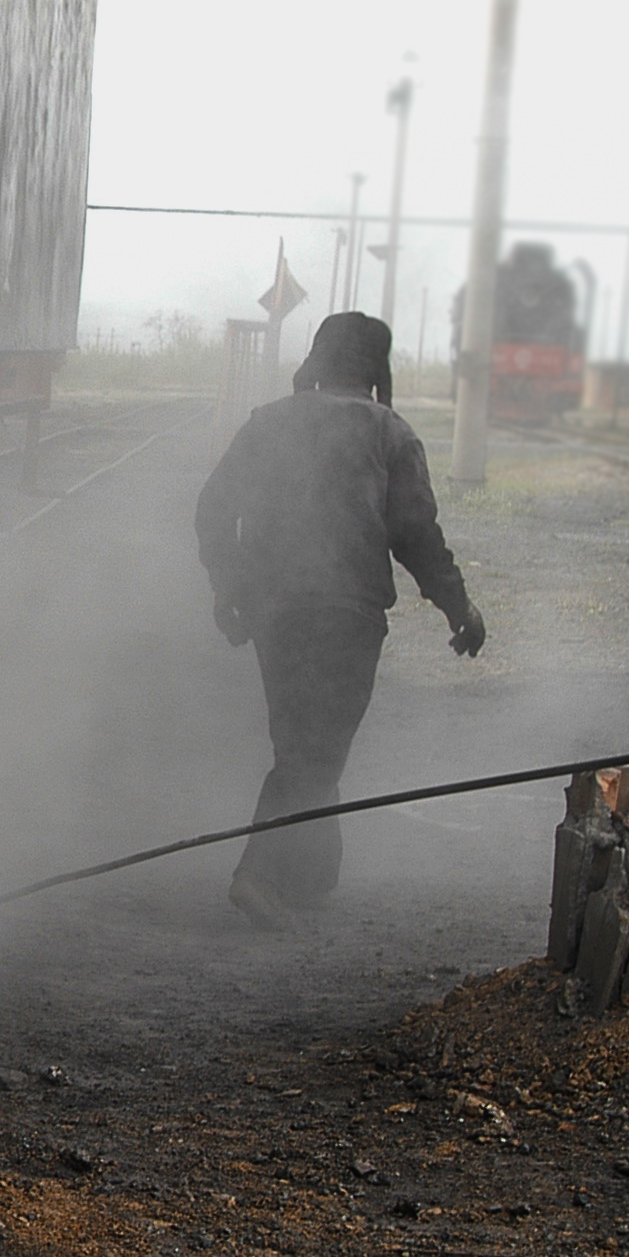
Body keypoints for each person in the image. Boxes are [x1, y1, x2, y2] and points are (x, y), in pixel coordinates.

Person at [195, 311, 484, 928]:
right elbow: (417, 537)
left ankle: (309, 873)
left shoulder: (267, 423)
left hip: (275, 612)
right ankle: (258, 874)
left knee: (299, 742)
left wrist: (230, 591)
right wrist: (461, 609)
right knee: (315, 751)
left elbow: (214, 507)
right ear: (377, 368)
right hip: (347, 616)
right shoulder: (390, 433)